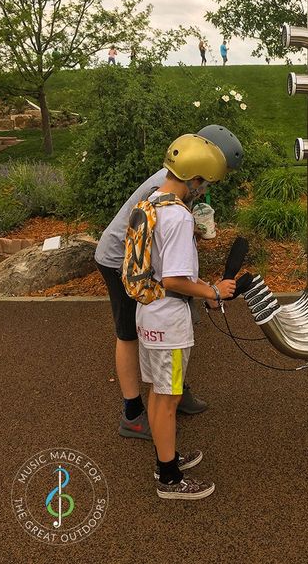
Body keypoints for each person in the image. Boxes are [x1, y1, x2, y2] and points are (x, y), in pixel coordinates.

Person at [94, 125, 244, 442]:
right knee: (129, 333)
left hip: (151, 260)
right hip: (119, 257)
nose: (206, 188)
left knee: (174, 313)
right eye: (210, 177)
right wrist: (209, 290)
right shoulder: (163, 189)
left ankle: (175, 388)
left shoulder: (180, 180)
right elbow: (165, 263)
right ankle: (133, 413)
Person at [137, 134, 236, 500]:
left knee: (159, 394)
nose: (203, 190)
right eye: (204, 183)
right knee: (169, 399)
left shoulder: (153, 201)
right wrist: (213, 291)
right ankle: (169, 479)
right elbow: (175, 278)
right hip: (169, 323)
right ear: (194, 178)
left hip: (148, 315)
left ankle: (168, 457)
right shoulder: (177, 216)